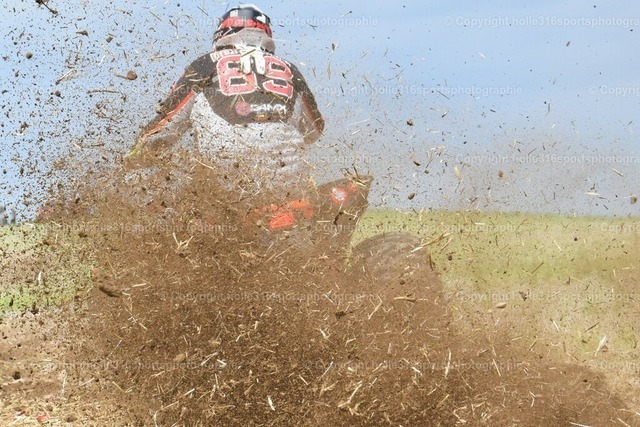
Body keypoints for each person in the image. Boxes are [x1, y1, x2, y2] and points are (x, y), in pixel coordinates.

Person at [128, 4, 324, 206]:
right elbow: (315, 130)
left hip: (225, 178)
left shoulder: (204, 64)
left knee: (184, 206)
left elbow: (165, 126)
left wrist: (132, 158)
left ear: (223, 33)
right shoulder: (291, 70)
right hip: (289, 181)